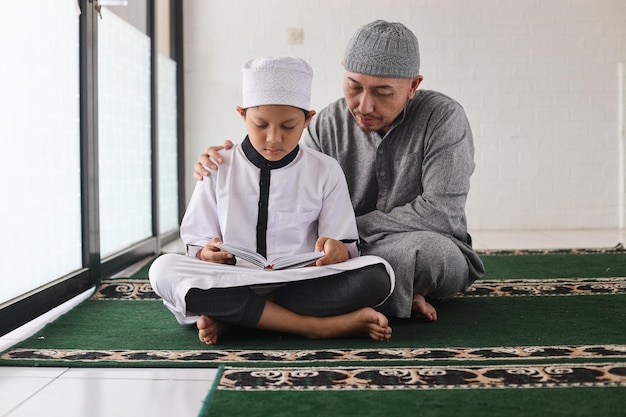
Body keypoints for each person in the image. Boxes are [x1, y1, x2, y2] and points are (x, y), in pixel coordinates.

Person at [194, 20, 486, 321]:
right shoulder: (327, 123)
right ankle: (383, 299)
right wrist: (233, 160)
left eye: (383, 92)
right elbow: (292, 190)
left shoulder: (443, 118)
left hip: (408, 244)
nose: (364, 105)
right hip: (336, 255)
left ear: (413, 86)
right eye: (353, 86)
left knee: (424, 253)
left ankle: (265, 309)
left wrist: (347, 236)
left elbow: (440, 213)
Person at [150, 56, 395, 345]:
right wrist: (207, 253)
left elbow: (343, 245)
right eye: (261, 125)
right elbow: (197, 241)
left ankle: (237, 318)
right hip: (233, 279)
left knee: (379, 274)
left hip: (299, 283)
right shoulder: (219, 165)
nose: (273, 138)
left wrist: (336, 250)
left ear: (307, 119)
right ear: (242, 115)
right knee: (163, 270)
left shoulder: (325, 170)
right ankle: (314, 327)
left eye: (289, 126)